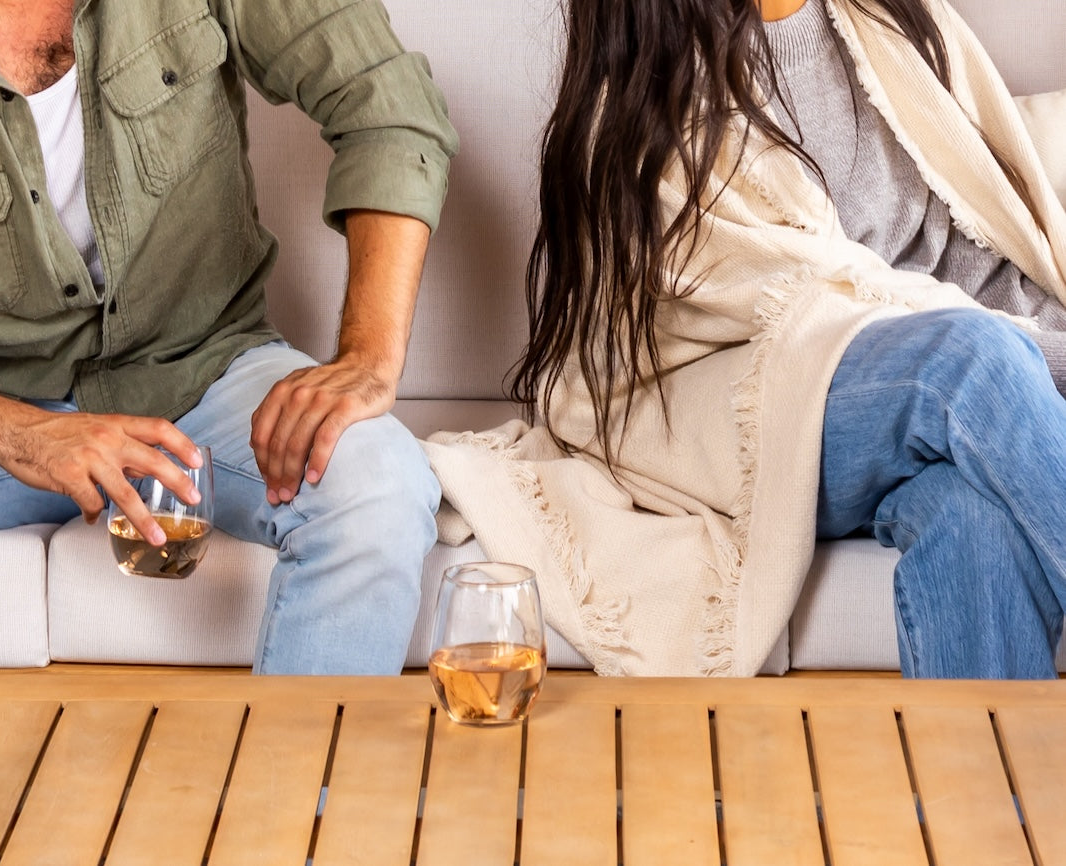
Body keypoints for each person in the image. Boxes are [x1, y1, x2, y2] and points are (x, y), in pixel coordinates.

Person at [0, 0, 459, 674]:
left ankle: (299, 793)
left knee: (377, 487)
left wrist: (369, 354)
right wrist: (13, 432)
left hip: (198, 373)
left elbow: (388, 107)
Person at [423, 0, 1066, 677]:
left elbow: (975, 250)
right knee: (965, 359)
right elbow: (813, 308)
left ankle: (991, 788)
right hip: (741, 422)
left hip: (920, 407)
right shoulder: (653, 80)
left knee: (972, 522)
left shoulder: (890, 27)